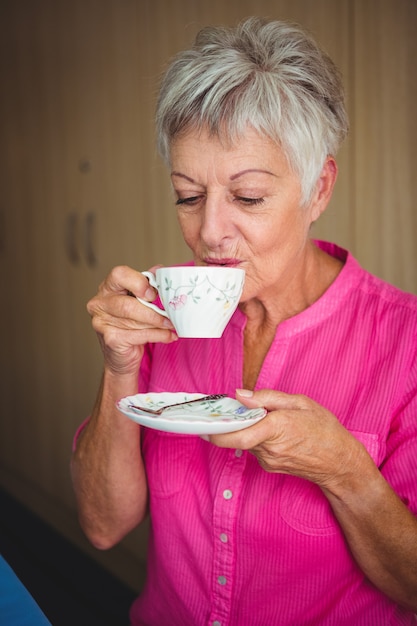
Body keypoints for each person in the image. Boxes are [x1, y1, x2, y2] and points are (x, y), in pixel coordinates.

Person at [71, 17, 417, 625]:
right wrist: (120, 368)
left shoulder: (405, 342)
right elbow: (102, 527)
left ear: (319, 188)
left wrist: (345, 470)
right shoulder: (162, 311)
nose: (207, 233)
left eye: (249, 197)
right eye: (188, 194)